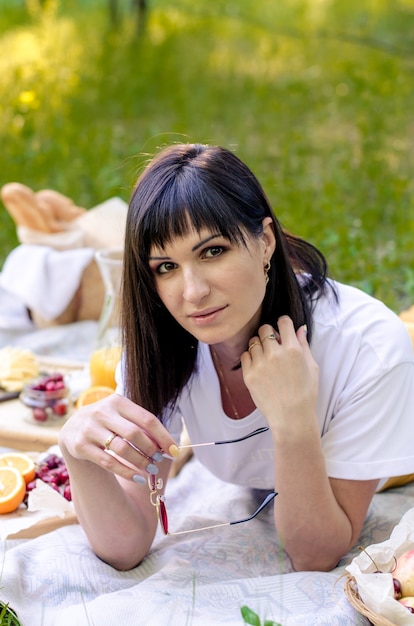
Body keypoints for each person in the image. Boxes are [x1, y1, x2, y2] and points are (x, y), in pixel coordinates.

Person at [58, 143, 414, 572]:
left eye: (212, 251)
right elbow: (126, 545)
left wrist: (293, 420)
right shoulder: (162, 344)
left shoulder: (368, 349)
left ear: (265, 241)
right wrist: (76, 452)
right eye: (165, 267)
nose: (193, 293)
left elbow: (315, 554)